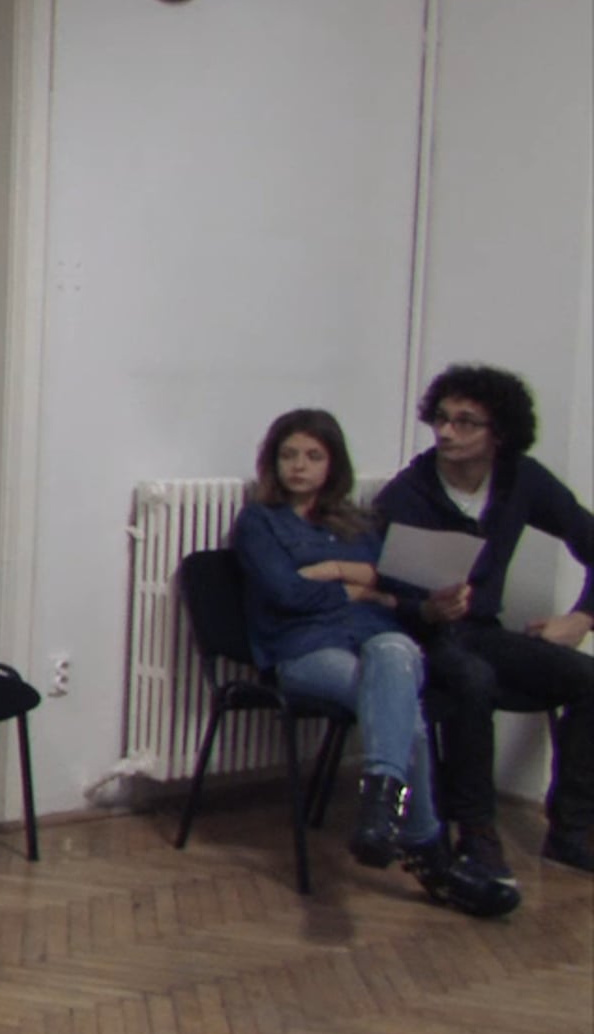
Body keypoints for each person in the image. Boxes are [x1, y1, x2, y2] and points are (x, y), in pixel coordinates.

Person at [230, 408, 517, 918]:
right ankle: (428, 852)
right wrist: (360, 587)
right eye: (288, 455)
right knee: (408, 719)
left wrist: (337, 571)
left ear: (332, 465)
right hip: (303, 650)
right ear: (272, 462)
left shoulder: (357, 523)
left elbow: (394, 583)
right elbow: (286, 593)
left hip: (372, 640)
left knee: (397, 650)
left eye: (313, 456)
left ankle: (382, 807)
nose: (299, 466)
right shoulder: (258, 521)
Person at [374, 364, 594, 879]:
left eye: (465, 422)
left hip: (479, 631)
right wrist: (426, 608)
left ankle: (571, 830)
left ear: (500, 434)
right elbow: (380, 595)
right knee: (471, 680)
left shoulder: (521, 479)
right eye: (441, 418)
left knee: (587, 678)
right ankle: (475, 832)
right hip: (418, 637)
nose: (447, 432)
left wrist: (583, 617)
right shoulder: (407, 494)